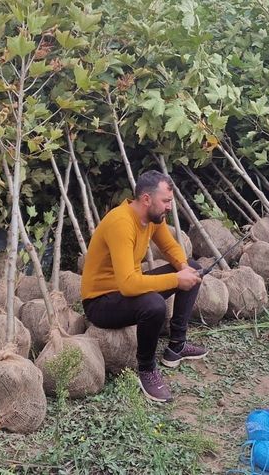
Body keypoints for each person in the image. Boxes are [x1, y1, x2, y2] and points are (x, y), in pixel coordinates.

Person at [81, 170, 207, 403]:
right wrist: (177, 280)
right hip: (101, 302)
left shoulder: (152, 218)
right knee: (154, 304)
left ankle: (176, 347)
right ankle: (147, 368)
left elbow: (170, 247)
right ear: (147, 199)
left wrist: (182, 267)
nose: (170, 207)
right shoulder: (121, 223)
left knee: (192, 267)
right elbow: (129, 285)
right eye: (166, 201)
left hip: (126, 291)